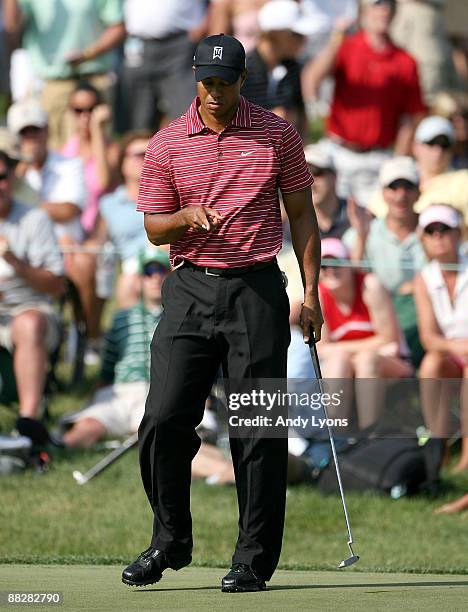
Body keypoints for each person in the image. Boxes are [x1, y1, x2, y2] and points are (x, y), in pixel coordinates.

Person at [121, 34, 323, 593]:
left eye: (225, 82)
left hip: (257, 290)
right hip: (189, 287)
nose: (215, 91)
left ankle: (253, 560)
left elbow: (303, 216)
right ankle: (170, 540)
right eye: (207, 81)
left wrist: (312, 293)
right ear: (195, 78)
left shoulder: (277, 134)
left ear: (241, 80)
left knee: (257, 430)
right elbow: (154, 227)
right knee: (163, 418)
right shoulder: (166, 142)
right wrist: (186, 215)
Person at [306, 0, 426, 206]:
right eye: (378, 4)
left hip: (377, 159)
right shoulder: (346, 47)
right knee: (322, 218)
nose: (384, 10)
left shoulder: (406, 61)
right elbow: (311, 80)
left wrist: (397, 161)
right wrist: (336, 39)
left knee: (372, 220)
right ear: (364, 10)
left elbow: (410, 118)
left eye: (389, 5)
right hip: (338, 153)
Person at [0, 132, 64, 422]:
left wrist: (15, 262)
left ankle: (28, 422)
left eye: (2, 175)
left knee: (28, 323)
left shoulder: (35, 219)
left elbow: (56, 285)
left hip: (31, 309)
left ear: (13, 176)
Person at [317, 238, 413, 429]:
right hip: (349, 367)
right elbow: (322, 349)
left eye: (336, 263)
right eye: (324, 265)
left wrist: (345, 351)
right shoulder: (319, 295)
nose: (330, 271)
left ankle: (371, 433)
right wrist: (349, 353)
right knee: (339, 361)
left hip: (394, 364)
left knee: (366, 359)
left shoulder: (370, 286)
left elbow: (389, 339)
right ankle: (336, 437)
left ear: (349, 263)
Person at [3, 0, 125, 149]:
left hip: (94, 79)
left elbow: (118, 27)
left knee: (98, 148)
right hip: (53, 84)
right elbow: (13, 26)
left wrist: (88, 54)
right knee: (53, 149)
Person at [344, 156, 426, 366]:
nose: (401, 195)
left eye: (408, 187)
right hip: (379, 316)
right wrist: (362, 236)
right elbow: (348, 282)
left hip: (423, 313)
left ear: (419, 191)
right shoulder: (360, 234)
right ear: (383, 192)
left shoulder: (435, 229)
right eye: (393, 187)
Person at [414, 205, 468, 472]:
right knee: (430, 365)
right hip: (451, 355)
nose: (438, 236)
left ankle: (467, 455)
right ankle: (438, 447)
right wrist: (457, 346)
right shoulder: (424, 279)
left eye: (444, 229)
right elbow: (428, 338)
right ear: (423, 238)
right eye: (430, 231)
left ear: (459, 234)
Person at [122, 0, 209, 132]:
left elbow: (219, 4)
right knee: (138, 124)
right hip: (137, 45)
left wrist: (203, 27)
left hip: (181, 44)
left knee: (187, 119)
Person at [93, 130, 153, 308]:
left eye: (152, 154)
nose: (148, 159)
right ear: (123, 163)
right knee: (129, 284)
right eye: (141, 155)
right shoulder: (109, 204)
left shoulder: (171, 196)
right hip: (130, 267)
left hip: (167, 262)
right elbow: (98, 243)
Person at [240, 0, 309, 137]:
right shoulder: (241, 71)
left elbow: (301, 117)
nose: (304, 40)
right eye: (298, 34)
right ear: (276, 34)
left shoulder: (292, 68)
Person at [62, 81, 119, 237]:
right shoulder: (66, 149)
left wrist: (97, 129)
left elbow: (102, 182)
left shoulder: (113, 149)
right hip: (72, 231)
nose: (85, 116)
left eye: (91, 109)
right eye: (78, 110)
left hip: (102, 232)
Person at [304, 143, 350, 239]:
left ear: (334, 177)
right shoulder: (289, 222)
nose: (310, 181)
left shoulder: (355, 219)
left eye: (317, 172)